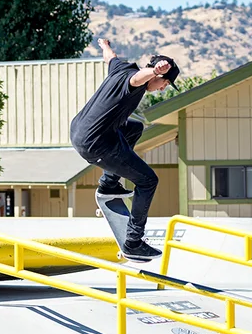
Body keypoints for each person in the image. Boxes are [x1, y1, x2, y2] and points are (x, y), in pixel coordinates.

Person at [70, 38, 180, 260]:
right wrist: (155, 70)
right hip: (95, 143)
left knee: (134, 127)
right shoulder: (135, 79)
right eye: (164, 84)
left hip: (80, 129)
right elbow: (139, 78)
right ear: (157, 76)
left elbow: (109, 57)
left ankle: (109, 184)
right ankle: (133, 241)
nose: (161, 89)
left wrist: (105, 45)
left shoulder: (121, 67)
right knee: (148, 181)